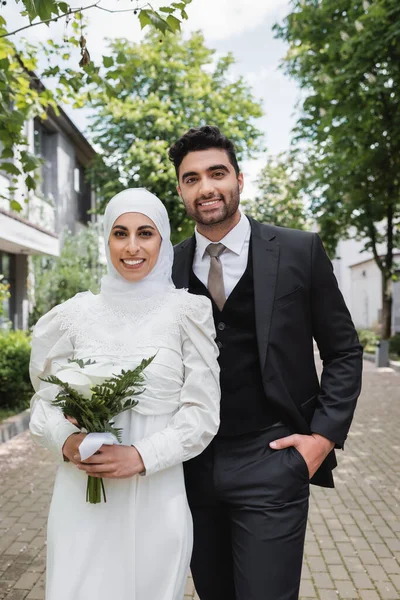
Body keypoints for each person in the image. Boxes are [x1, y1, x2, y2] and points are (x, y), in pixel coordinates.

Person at [169, 125, 363, 600]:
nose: (206, 187)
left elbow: (343, 350)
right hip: (190, 466)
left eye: (217, 173)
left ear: (239, 179)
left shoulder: (299, 250)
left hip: (272, 458)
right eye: (192, 178)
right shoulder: (165, 268)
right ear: (180, 190)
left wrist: (320, 440)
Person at [29, 188, 220, 600]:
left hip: (158, 496)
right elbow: (43, 403)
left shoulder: (187, 313)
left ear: (163, 240)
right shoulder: (73, 316)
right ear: (108, 240)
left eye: (145, 233)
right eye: (120, 233)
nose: (132, 247)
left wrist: (140, 456)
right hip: (82, 497)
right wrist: (68, 441)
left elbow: (203, 414)